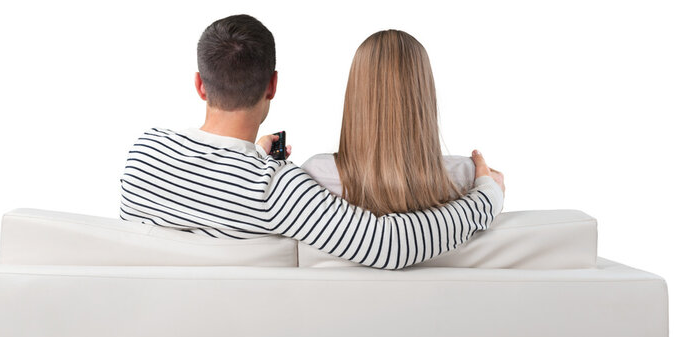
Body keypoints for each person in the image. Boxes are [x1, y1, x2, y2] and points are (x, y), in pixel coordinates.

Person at [118, 14, 505, 270]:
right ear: (272, 84)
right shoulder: (276, 189)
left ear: (200, 85)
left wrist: (256, 158)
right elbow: (392, 245)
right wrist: (486, 197)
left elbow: (208, 194)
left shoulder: (144, 153)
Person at [302, 30, 506, 257]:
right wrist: (489, 185)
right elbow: (495, 182)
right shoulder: (465, 179)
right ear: (424, 94)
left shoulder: (316, 175)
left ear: (356, 96)